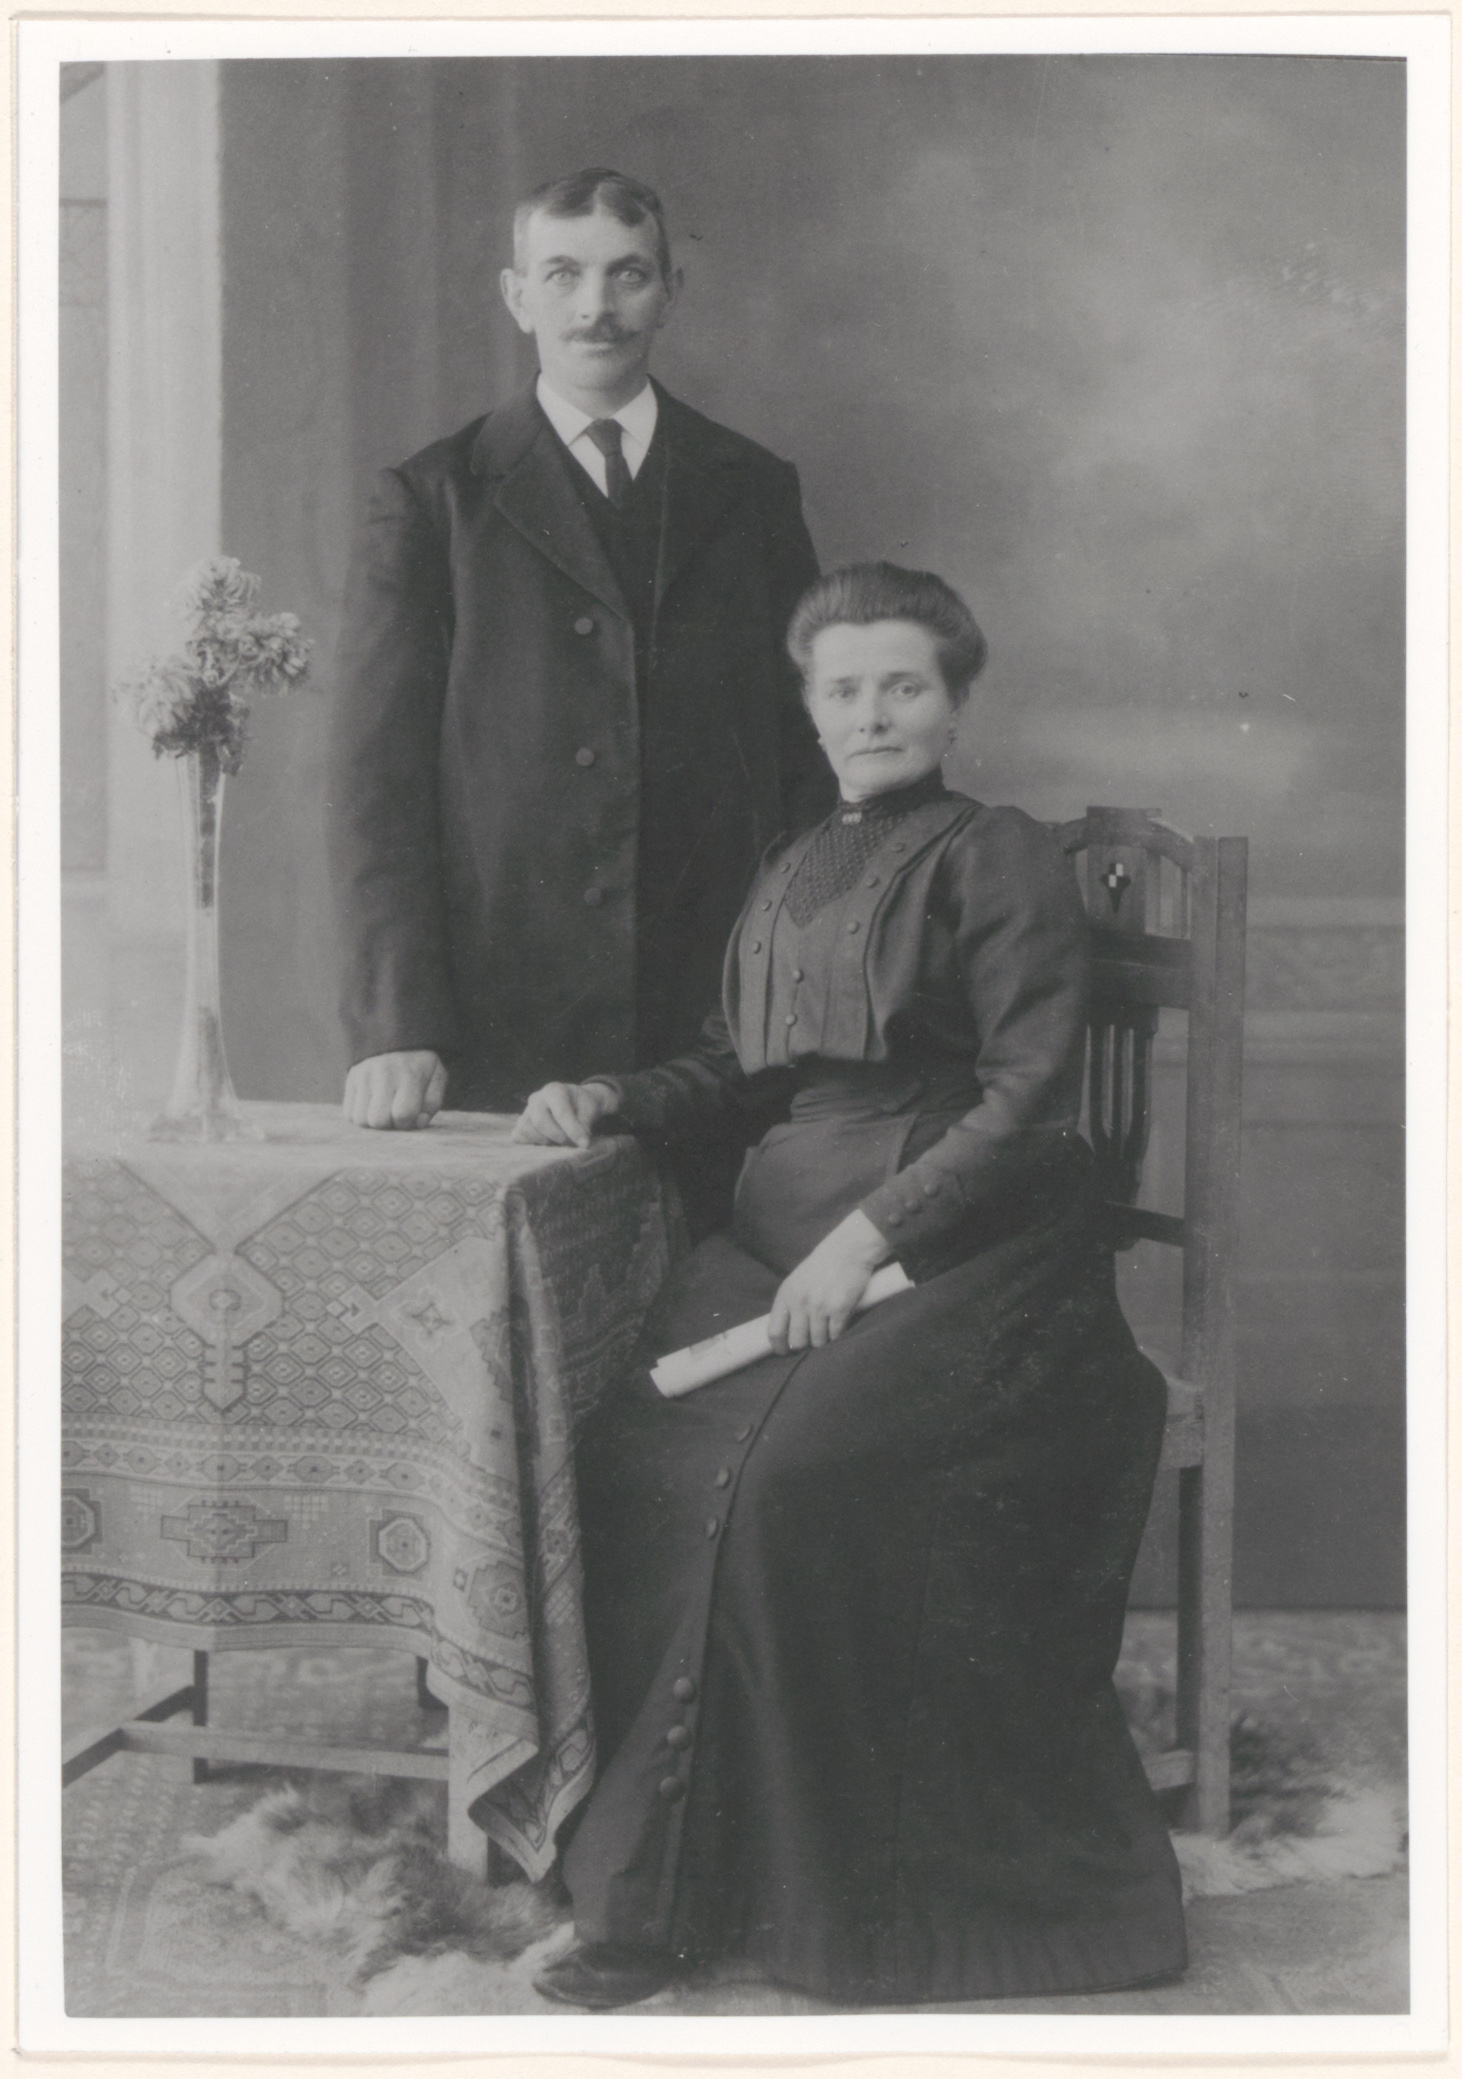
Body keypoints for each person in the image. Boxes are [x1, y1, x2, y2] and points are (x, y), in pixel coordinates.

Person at [512, 563, 1187, 2009]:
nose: (871, 712)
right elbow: (737, 1064)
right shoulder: (795, 858)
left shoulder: (994, 851)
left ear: (953, 703)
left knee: (774, 1486)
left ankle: (783, 1905)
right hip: (786, 1240)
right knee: (632, 1451)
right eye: (843, 688)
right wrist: (611, 1096)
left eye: (902, 685)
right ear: (810, 707)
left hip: (973, 1252)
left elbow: (1028, 1094)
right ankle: (675, 1877)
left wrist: (869, 1236)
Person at [327, 168, 829, 1152]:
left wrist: (786, 989)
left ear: (670, 292)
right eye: (562, 274)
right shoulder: (435, 499)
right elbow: (375, 785)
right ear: (517, 296)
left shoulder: (752, 489)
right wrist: (396, 1024)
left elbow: (807, 759)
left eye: (627, 275)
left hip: (714, 1028)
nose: (595, 307)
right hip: (501, 1021)